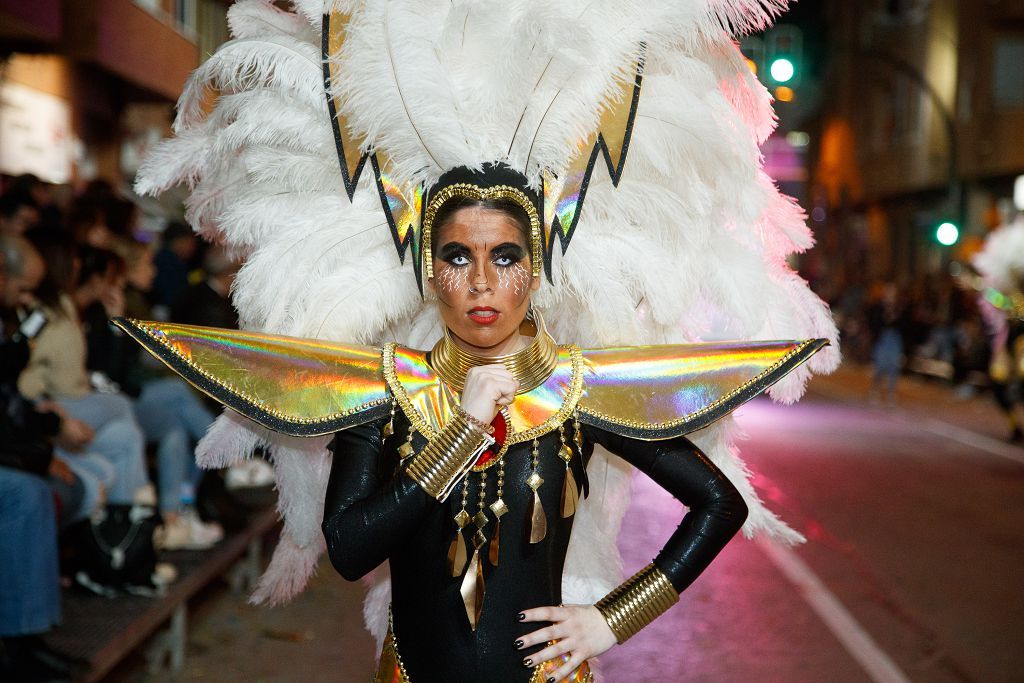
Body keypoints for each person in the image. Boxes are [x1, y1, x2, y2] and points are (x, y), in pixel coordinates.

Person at [128, 2, 840, 680]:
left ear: (534, 267)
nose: (481, 283)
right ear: (428, 268)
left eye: (504, 257)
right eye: (458, 257)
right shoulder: (389, 390)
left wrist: (612, 619)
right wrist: (459, 431)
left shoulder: (573, 392)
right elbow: (348, 549)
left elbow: (719, 503)